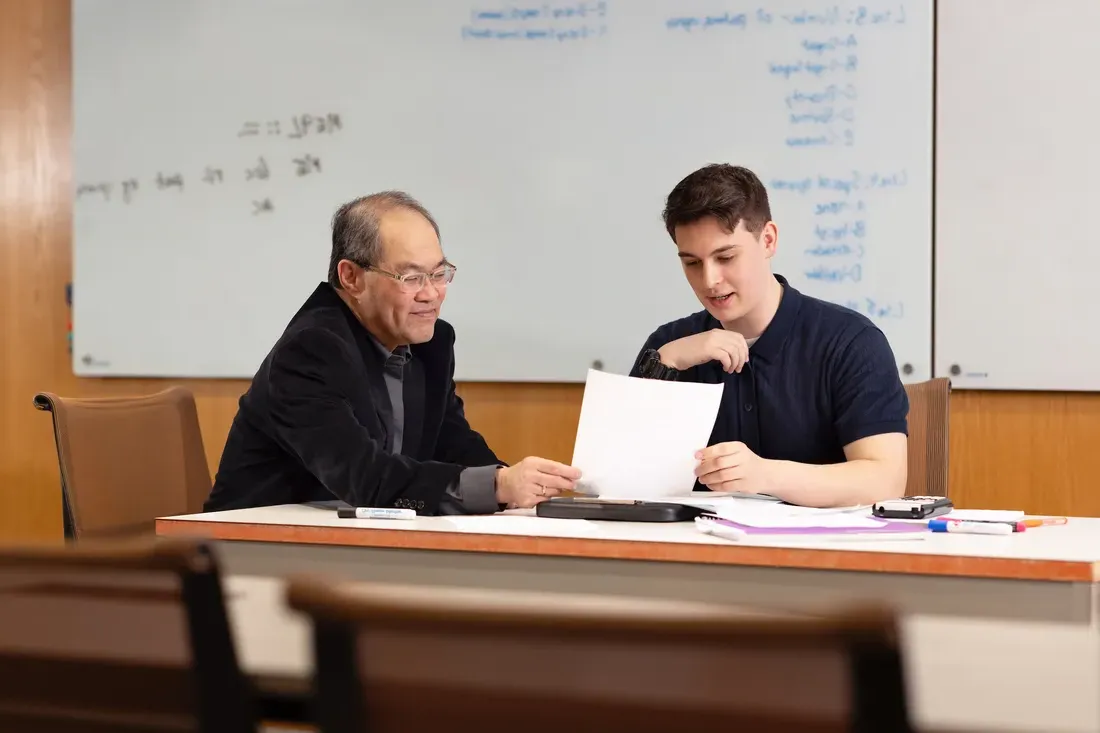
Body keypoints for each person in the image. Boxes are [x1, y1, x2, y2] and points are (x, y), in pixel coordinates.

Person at [204, 191, 580, 514]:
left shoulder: (431, 343)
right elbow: (365, 479)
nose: (430, 294)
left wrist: (516, 488)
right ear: (351, 277)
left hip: (357, 546)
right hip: (255, 551)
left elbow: (454, 444)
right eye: (411, 278)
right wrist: (497, 486)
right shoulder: (310, 351)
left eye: (438, 274)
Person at [630, 164, 909, 508]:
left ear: (768, 240)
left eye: (726, 256)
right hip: (693, 551)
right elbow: (619, 479)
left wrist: (764, 475)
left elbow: (885, 480)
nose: (710, 280)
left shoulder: (851, 341)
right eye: (691, 263)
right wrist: (667, 362)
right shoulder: (669, 345)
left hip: (819, 553)